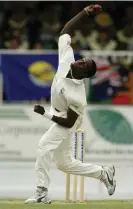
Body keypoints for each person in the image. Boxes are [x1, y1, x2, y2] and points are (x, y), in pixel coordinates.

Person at [25, 4, 116, 204]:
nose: (80, 61)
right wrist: (85, 13)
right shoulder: (67, 58)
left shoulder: (78, 96)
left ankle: (42, 192)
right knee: (65, 164)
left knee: (43, 146)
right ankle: (103, 173)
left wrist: (45, 115)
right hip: (58, 112)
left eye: (84, 64)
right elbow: (65, 31)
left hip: (68, 120)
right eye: (82, 59)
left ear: (84, 75)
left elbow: (67, 123)